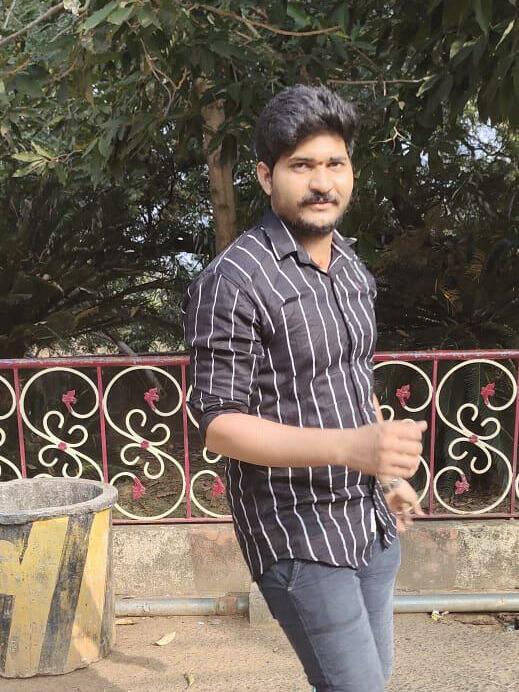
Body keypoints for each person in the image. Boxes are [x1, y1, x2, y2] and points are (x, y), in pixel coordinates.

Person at [183, 84, 426, 692]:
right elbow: (219, 425)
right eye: (301, 166)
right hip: (297, 534)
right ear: (266, 176)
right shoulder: (234, 280)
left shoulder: (351, 269)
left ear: (351, 172)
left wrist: (387, 477)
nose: (322, 183)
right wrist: (351, 449)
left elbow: (353, 378)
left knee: (372, 679)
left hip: (368, 520)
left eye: (334, 164)